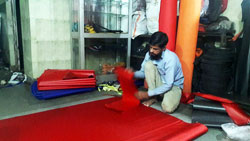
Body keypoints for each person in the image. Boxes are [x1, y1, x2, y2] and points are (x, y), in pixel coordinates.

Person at [132, 31, 184, 113]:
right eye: (150, 47)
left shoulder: (171, 59)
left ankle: (157, 95)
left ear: (163, 48)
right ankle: (154, 97)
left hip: (173, 86)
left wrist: (147, 94)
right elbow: (143, 73)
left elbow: (169, 84)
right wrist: (131, 74)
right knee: (148, 65)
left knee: (167, 108)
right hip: (161, 82)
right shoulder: (149, 54)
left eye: (155, 49)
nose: (151, 51)